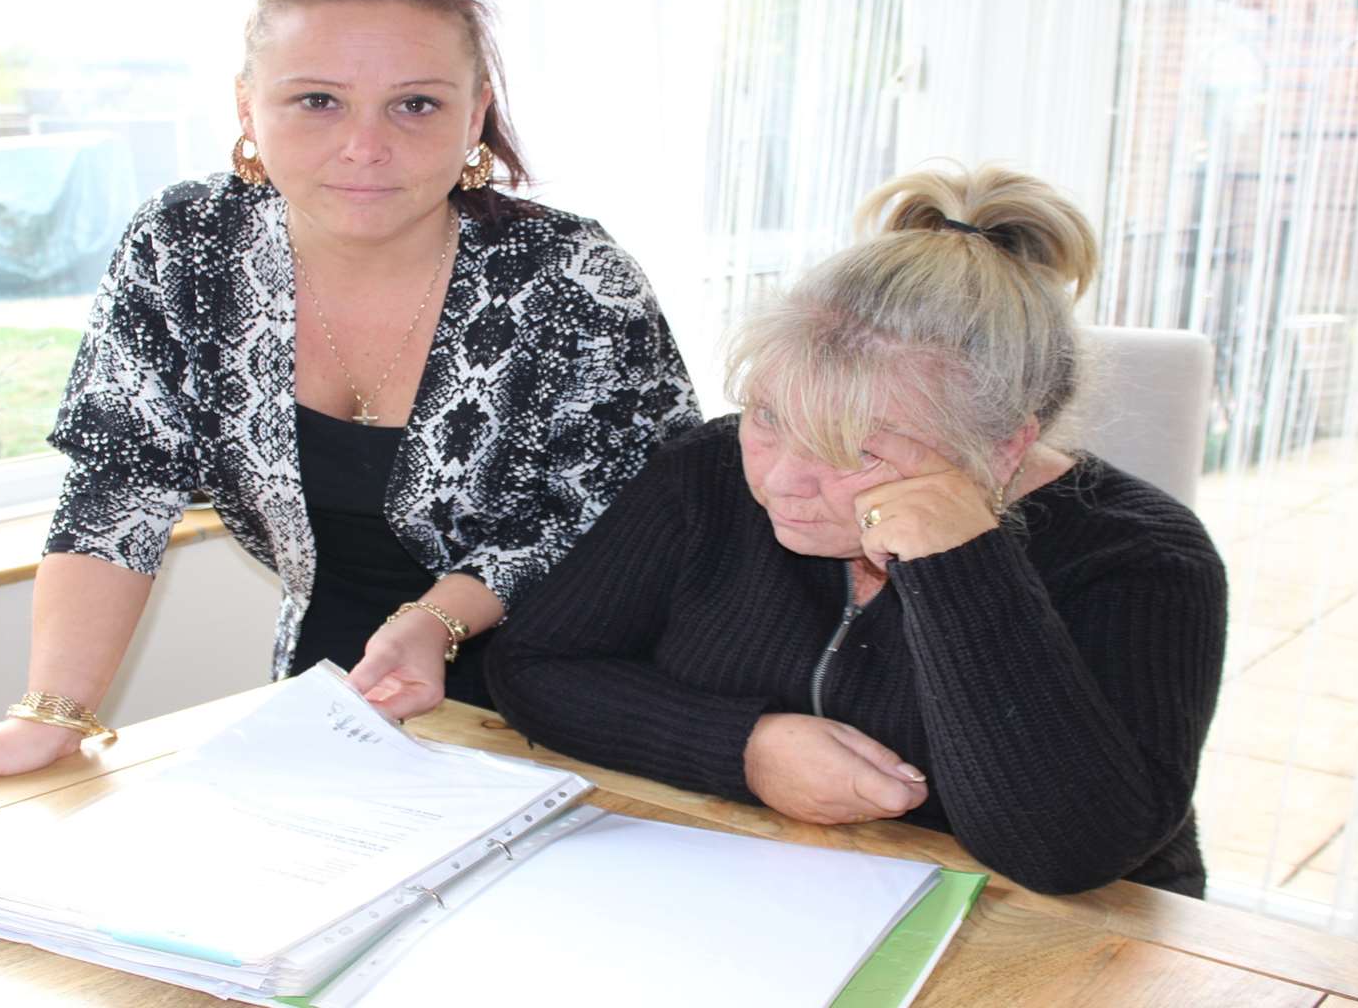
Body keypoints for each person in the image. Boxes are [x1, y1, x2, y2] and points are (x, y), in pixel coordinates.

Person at [0, 0, 698, 789]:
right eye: (317, 100)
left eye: (416, 105)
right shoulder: (185, 249)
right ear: (249, 110)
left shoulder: (570, 274)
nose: (364, 146)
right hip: (340, 689)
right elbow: (119, 481)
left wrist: (438, 619)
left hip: (586, 686)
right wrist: (51, 712)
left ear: (474, 115)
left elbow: (624, 514)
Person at [484, 164, 1227, 897]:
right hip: (757, 891)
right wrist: (743, 748)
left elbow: (1070, 856)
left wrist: (964, 560)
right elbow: (536, 665)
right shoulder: (709, 471)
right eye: (771, 417)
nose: (781, 481)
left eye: (856, 449)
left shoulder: (1144, 560)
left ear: (1004, 448)